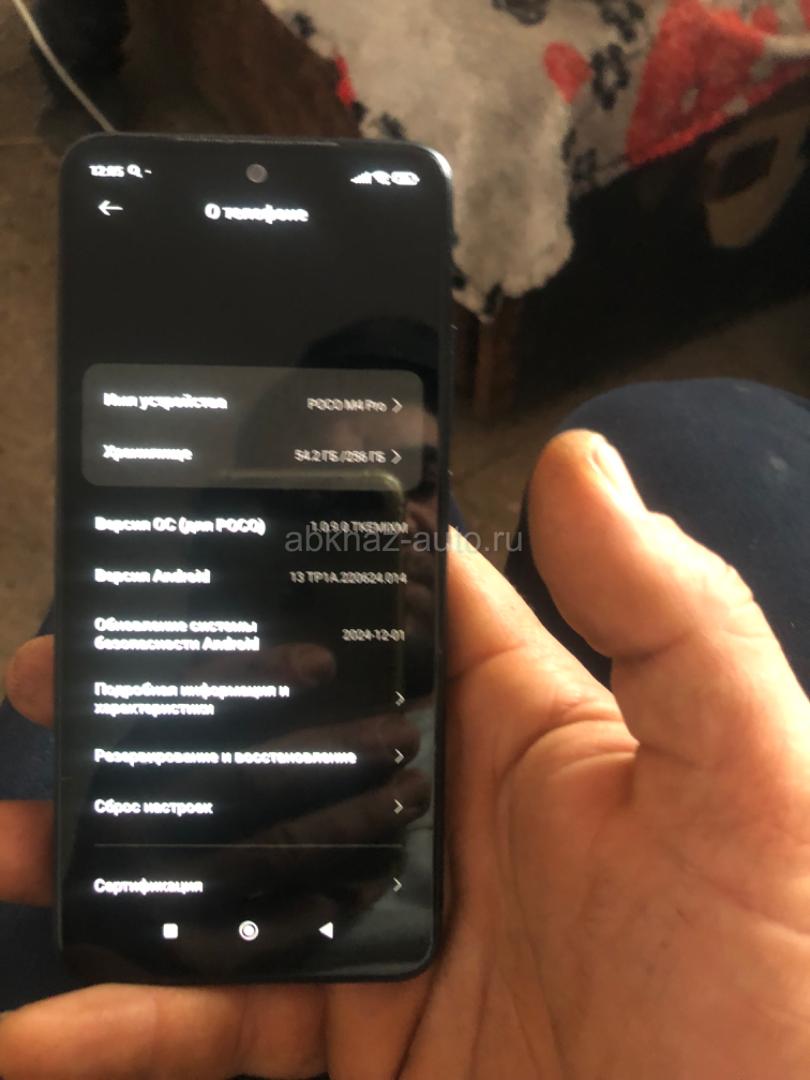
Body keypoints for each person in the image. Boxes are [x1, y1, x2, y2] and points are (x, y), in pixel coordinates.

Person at [2, 377, 810, 1078]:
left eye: (416, 483)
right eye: (326, 500)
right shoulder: (156, 745)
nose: (380, 523)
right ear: (241, 546)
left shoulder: (555, 791)